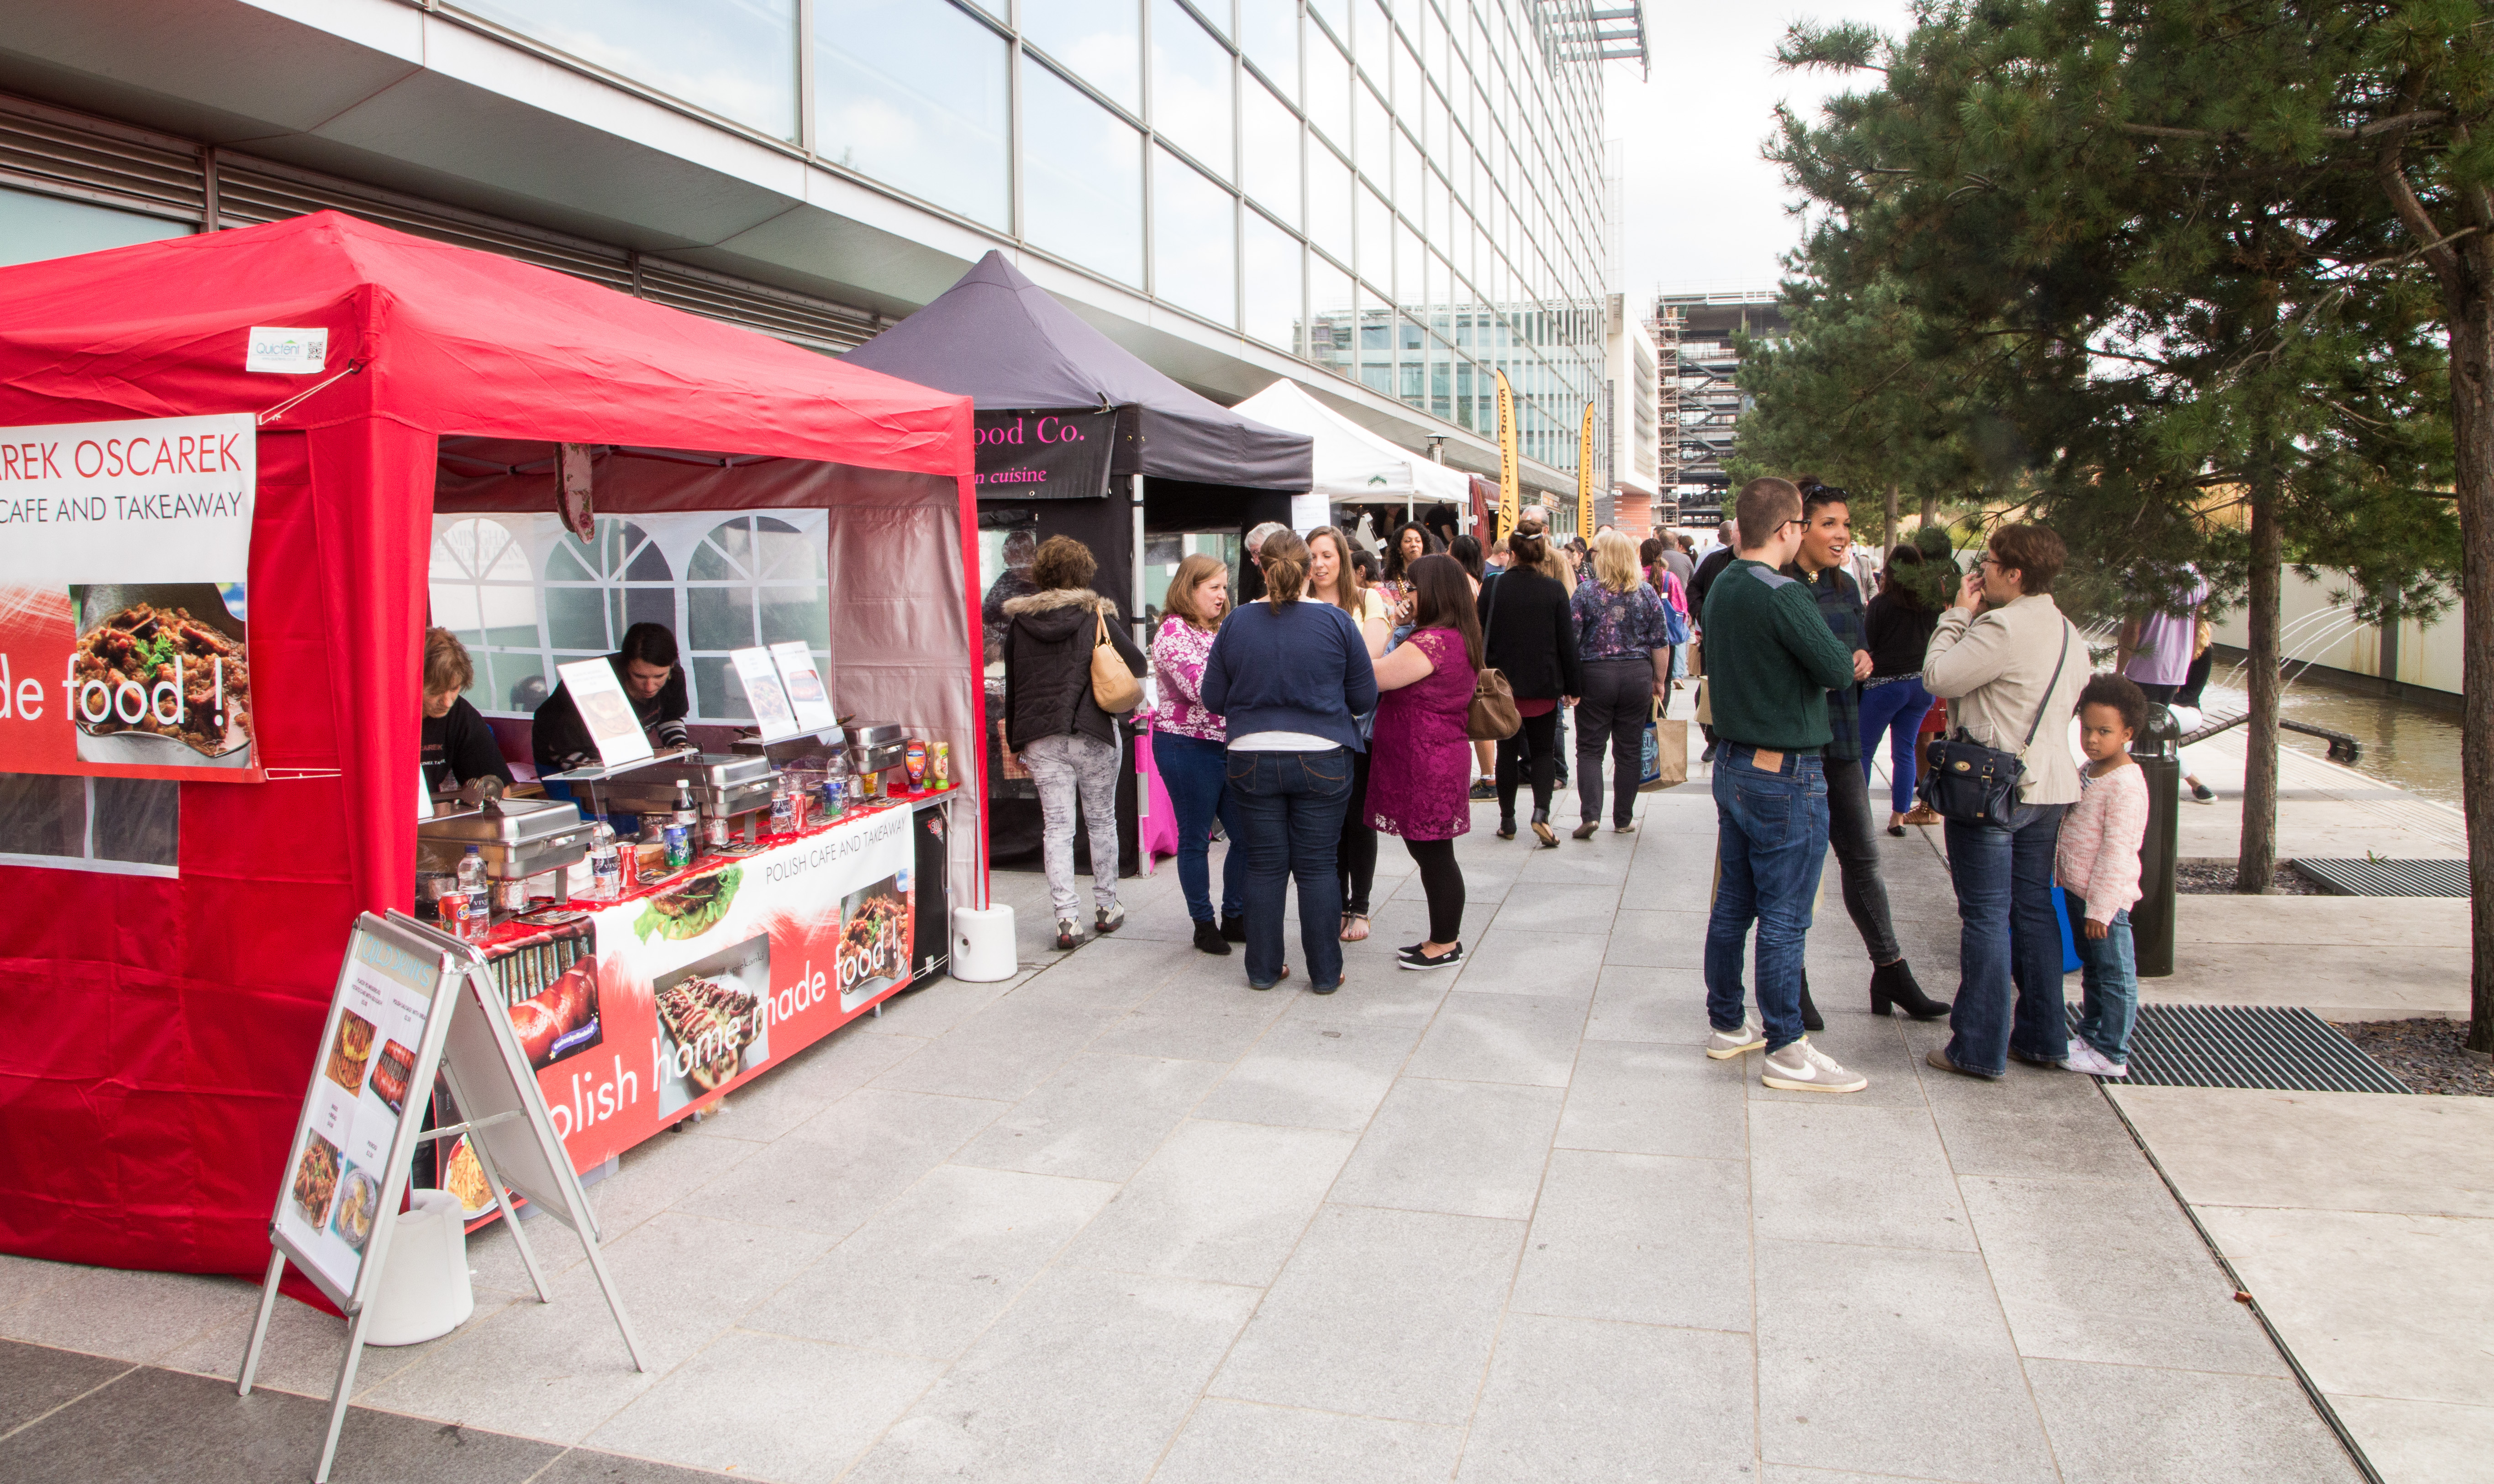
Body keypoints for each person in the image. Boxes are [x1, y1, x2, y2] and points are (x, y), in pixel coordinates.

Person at [1699, 477, 1868, 1093]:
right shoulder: (1783, 593)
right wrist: (1846, 659)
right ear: (1787, 528)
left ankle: (1727, 1023)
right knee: (1784, 914)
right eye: (1802, 524)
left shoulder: (1723, 582)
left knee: (1733, 905)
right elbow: (1831, 667)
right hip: (1785, 771)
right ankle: (1787, 1046)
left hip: (1733, 763)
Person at [1921, 524, 2090, 1080]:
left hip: (1993, 787)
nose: (1981, 570)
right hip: (2050, 787)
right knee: (2033, 910)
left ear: (2013, 573)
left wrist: (1954, 616)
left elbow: (1937, 677)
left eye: (1989, 562)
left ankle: (1977, 1046)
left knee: (1986, 917)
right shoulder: (2069, 631)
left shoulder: (2000, 625)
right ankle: (2042, 1036)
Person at [1787, 488, 1948, 1022]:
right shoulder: (1779, 586)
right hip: (1795, 749)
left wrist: (1861, 657)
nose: (1841, 534)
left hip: (1842, 742)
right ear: (1800, 526)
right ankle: (1793, 979)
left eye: (1846, 524)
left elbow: (1860, 646)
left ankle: (1890, 970)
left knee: (1863, 861)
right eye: (1829, 523)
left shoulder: (1847, 584)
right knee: (1799, 872)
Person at [1201, 530, 1378, 994]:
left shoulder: (1236, 622)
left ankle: (1262, 969)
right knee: (1318, 866)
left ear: (1261, 566)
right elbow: (1363, 697)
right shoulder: (1337, 622)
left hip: (1250, 756)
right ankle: (1323, 972)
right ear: (1307, 570)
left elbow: (1213, 698)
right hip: (1322, 755)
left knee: (1263, 865)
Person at [1002, 536, 1147, 952]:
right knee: (1101, 821)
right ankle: (1107, 907)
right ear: (1084, 573)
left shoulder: (1020, 623)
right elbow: (1135, 663)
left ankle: (1067, 919)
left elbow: (1015, 686)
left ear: (1041, 574)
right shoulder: (1094, 615)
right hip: (1094, 733)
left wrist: (1017, 739)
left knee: (1057, 828)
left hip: (1041, 737)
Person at [1369, 554, 1482, 970]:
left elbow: (1374, 675)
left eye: (1411, 588)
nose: (1406, 595)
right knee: (1434, 852)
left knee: (1433, 854)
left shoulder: (1432, 641)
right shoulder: (1451, 634)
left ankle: (1446, 942)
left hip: (1427, 759)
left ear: (1433, 591)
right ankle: (1441, 937)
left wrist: (1380, 622)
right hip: (1433, 754)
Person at [1151, 553, 1247, 956]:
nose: (1223, 596)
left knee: (1246, 835)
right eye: (1215, 588)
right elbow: (1201, 689)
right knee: (1195, 838)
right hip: (1184, 744)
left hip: (1224, 742)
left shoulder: (1218, 630)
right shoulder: (1172, 632)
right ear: (1190, 590)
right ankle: (1203, 923)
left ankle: (1236, 915)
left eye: (1225, 588)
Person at [2058, 674, 2151, 1078]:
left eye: (2105, 731)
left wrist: (2102, 908)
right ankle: (2092, 1035)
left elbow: (2118, 851)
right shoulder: (2091, 768)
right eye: (2087, 729)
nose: (2092, 739)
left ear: (2128, 733)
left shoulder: (2126, 784)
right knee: (2094, 971)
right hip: (2079, 891)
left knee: (2115, 976)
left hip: (2104, 901)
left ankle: (2113, 1051)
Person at [1308, 525, 1392, 944]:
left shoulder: (1366, 599)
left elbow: (1369, 658)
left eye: (1327, 555)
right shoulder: (1299, 606)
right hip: (1317, 728)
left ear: (1343, 558)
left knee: (1359, 817)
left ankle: (1360, 904)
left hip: (1358, 725)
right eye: (1312, 556)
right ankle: (1338, 902)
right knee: (1329, 822)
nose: (1319, 564)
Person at [1477, 518, 1580, 847]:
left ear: (1513, 551)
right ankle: (1541, 813)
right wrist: (1573, 686)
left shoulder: (1493, 587)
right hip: (1544, 685)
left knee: (1506, 752)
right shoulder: (1554, 590)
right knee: (1543, 751)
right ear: (1541, 551)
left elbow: (1478, 632)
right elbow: (1567, 642)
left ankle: (1508, 820)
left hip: (1502, 686)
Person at [1569, 529, 1672, 838]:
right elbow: (1660, 642)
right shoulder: (1646, 593)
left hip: (1595, 675)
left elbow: (1571, 640)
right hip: (1636, 674)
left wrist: (1569, 684)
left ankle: (1591, 815)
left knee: (1589, 748)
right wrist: (1660, 680)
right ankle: (1623, 818)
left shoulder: (1586, 592)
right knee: (1629, 750)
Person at [531, 621, 693, 775]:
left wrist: (680, 749)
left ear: (671, 666)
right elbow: (562, 748)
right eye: (639, 676)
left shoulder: (675, 677)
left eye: (659, 676)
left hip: (614, 755)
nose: (649, 687)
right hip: (562, 754)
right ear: (626, 665)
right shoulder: (593, 682)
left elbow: (669, 717)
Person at [2119, 566, 2221, 803]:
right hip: (2172, 671)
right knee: (2146, 735)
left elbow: (2131, 628)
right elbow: (2197, 622)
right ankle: (2192, 785)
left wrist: (2119, 671)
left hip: (2145, 669)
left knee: (2142, 732)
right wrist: (2182, 665)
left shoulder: (2143, 573)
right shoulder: (2196, 576)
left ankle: (2148, 792)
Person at [1861, 544, 1942, 834]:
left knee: (1863, 752)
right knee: (1905, 751)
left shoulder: (1881, 605)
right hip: (1921, 686)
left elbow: (1867, 644)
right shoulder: (1931, 605)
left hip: (1885, 685)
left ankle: (1859, 819)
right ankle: (1898, 816)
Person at [421, 628, 514, 795]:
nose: (448, 702)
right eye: (435, 692)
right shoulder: (376, 716)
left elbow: (498, 791)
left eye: (454, 688)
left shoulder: (460, 714)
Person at [1449, 534, 1499, 799]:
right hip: (1474, 649)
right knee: (1478, 714)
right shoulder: (1476, 580)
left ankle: (1489, 778)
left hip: (1467, 651)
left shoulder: (1463, 581)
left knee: (1477, 715)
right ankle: (1489, 776)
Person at [981, 529, 1041, 657]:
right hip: (1006, 652)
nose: (1013, 570)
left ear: (1031, 559)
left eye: (1015, 565)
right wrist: (990, 641)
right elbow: (986, 614)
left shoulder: (1044, 583)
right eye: (1008, 564)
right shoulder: (1006, 580)